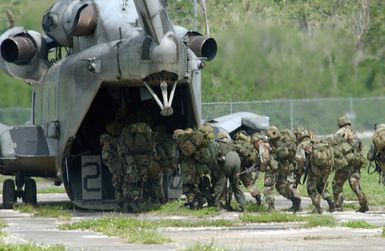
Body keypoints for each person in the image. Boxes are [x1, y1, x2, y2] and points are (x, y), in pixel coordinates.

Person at [332, 115, 368, 213]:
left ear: (340, 123)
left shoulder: (340, 132)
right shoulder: (353, 132)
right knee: (354, 183)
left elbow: (334, 145)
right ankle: (364, 204)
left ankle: (338, 206)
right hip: (356, 162)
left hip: (346, 163)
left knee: (337, 184)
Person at [294, 127, 334, 213]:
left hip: (315, 170)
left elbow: (300, 160)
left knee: (311, 189)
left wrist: (300, 171)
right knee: (321, 187)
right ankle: (331, 202)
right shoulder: (317, 142)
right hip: (327, 168)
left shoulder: (302, 145)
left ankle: (318, 208)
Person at [118, 122, 156, 212]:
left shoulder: (126, 133)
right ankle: (137, 203)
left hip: (130, 161)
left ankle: (132, 204)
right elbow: (152, 149)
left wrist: (124, 160)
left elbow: (122, 149)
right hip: (144, 160)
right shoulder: (147, 131)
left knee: (131, 182)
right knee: (140, 181)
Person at [265, 126, 301, 212]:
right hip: (288, 166)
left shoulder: (270, 143)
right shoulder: (287, 139)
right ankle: (296, 202)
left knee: (268, 187)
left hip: (275, 166)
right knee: (282, 185)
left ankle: (271, 208)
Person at [232, 131, 262, 205]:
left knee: (233, 185)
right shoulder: (249, 145)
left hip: (237, 167)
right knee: (249, 185)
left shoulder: (234, 144)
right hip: (246, 168)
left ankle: (231, 202)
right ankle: (258, 198)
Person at [251, 132, 278, 211]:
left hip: (270, 170)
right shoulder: (267, 144)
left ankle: (271, 208)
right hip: (274, 168)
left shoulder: (262, 145)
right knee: (270, 189)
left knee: (268, 189)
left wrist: (262, 169)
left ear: (256, 141)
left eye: (254, 143)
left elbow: (264, 160)